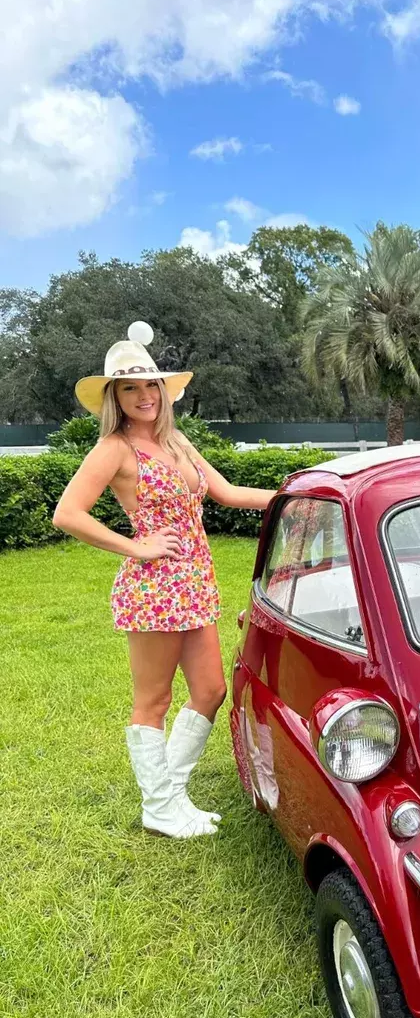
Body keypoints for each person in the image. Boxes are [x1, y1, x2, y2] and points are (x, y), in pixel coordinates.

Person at [53, 322, 277, 839]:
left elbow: (225, 491)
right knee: (152, 701)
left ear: (163, 391)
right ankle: (159, 806)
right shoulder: (114, 448)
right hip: (155, 589)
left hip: (194, 584)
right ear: (115, 397)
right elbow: (68, 513)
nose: (143, 395)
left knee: (211, 689)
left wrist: (299, 493)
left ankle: (170, 795)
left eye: (149, 385)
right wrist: (138, 545)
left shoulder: (175, 441)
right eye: (129, 388)